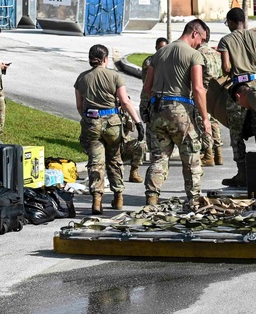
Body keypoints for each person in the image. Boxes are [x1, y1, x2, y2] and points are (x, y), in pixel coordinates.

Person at [142, 19, 211, 206]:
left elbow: (147, 87)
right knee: (191, 155)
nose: (201, 44)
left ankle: (151, 198)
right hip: (181, 111)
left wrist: (160, 102)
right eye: (202, 39)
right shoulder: (193, 55)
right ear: (195, 33)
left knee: (159, 157)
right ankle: (194, 200)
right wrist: (205, 118)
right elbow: (198, 88)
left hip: (157, 109)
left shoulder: (159, 54)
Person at [74, 45, 145, 213]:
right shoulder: (114, 76)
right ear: (105, 59)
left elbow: (79, 105)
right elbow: (125, 102)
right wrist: (138, 122)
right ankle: (118, 197)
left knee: (96, 163)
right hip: (113, 124)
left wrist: (87, 118)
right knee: (114, 160)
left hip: (92, 124)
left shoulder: (82, 78)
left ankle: (96, 201)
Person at [217, 7, 256, 187]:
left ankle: (242, 174)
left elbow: (226, 68)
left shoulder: (226, 40)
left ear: (232, 22)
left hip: (240, 89)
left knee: (236, 134)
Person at [198, 34, 224, 167]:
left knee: (204, 122)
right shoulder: (216, 54)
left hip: (203, 91)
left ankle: (208, 155)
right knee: (214, 122)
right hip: (216, 91)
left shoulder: (197, 54)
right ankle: (219, 153)